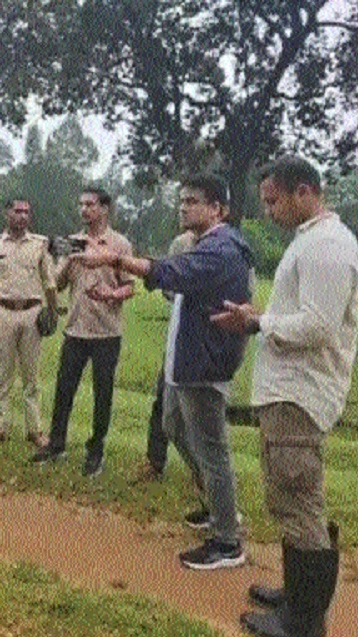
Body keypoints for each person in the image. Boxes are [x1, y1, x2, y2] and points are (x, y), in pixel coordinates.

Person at [212, 157, 358, 637]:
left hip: (301, 393)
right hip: (287, 390)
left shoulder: (327, 247)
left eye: (274, 200)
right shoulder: (312, 242)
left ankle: (303, 621)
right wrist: (262, 316)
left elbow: (319, 326)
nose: (269, 211)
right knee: (287, 496)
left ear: (304, 192)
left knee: (299, 501)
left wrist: (259, 322)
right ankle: (299, 595)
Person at [80, 174, 252, 570]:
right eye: (182, 200)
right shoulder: (204, 245)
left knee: (212, 450)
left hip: (204, 365)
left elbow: (168, 274)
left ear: (217, 209)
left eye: (192, 201)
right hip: (185, 360)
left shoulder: (221, 249)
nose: (183, 207)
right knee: (173, 427)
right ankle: (215, 505)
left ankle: (227, 539)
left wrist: (113, 259)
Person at [31, 188, 135, 476]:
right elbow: (59, 284)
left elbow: (130, 286)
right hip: (75, 329)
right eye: (81, 204)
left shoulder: (119, 245)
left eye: (90, 204)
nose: (84, 210)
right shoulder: (74, 243)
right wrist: (60, 261)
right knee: (64, 390)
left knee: (103, 394)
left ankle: (96, 449)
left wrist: (112, 294)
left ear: (104, 209)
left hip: (106, 333)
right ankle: (56, 444)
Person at [0, 198, 58, 453]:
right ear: (7, 214)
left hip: (32, 313)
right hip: (3, 312)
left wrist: (53, 311)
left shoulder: (39, 244)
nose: (22, 216)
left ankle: (35, 429)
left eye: (26, 211)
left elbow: (50, 282)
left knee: (31, 377)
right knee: (2, 375)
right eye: (17, 211)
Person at [138, 230, 197, 482]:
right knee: (163, 400)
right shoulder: (181, 244)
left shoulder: (226, 246)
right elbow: (167, 283)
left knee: (202, 408)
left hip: (210, 339)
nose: (186, 208)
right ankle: (154, 460)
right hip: (180, 332)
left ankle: (204, 469)